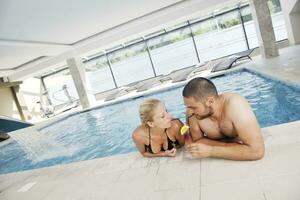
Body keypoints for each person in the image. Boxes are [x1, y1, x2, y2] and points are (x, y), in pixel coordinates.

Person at [182, 77, 265, 161]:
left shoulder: (235, 105)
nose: (189, 112)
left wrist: (211, 150)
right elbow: (198, 141)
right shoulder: (194, 114)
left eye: (193, 107)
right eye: (188, 107)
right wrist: (233, 147)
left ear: (210, 101)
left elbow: (257, 151)